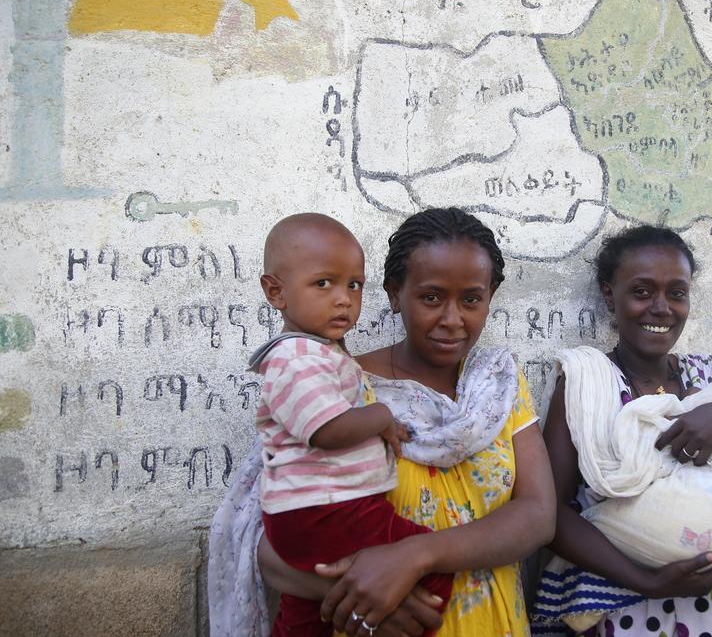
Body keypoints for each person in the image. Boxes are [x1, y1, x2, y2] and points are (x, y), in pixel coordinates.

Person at [209, 207, 556, 637]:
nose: (452, 319)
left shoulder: (498, 385)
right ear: (394, 294)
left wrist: (417, 556)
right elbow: (268, 539)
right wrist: (370, 601)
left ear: (491, 296)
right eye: (431, 297)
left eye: (471, 299)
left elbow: (538, 516)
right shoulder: (338, 390)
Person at [532, 225, 712, 636]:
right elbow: (549, 514)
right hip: (628, 603)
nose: (661, 308)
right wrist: (647, 581)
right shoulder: (587, 386)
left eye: (676, 293)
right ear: (610, 294)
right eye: (642, 292)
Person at [249, 213, 452, 636]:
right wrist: (380, 417)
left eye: (353, 285)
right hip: (327, 509)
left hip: (320, 509)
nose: (343, 299)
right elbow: (327, 430)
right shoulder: (298, 358)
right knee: (431, 567)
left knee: (307, 611)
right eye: (323, 283)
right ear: (276, 292)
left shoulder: (321, 354)